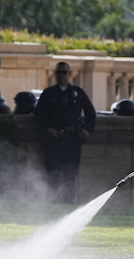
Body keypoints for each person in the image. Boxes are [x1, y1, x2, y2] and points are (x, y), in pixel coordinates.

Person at [34, 62, 96, 204]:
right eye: (59, 72)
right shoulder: (49, 94)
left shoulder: (77, 93)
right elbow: (39, 115)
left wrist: (87, 130)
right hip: (54, 139)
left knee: (70, 174)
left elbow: (90, 112)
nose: (61, 75)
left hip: (72, 140)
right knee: (53, 172)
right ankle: (53, 200)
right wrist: (47, 129)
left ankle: (69, 201)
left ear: (69, 74)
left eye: (64, 72)